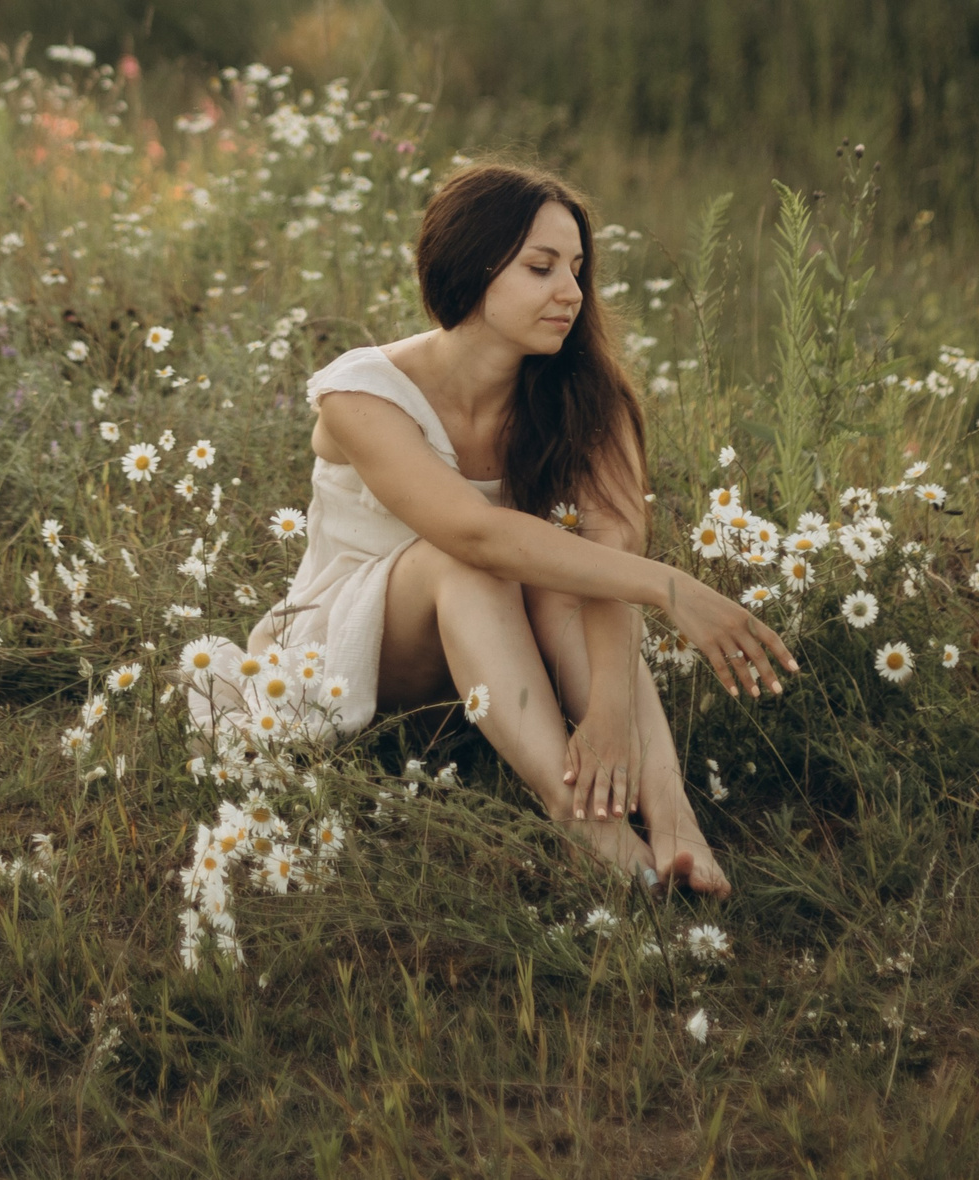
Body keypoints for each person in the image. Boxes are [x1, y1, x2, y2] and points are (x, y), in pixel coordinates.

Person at [189, 160, 796, 897]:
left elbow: (605, 558)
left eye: (577, 269)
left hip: (506, 654)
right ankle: (585, 823)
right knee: (473, 561)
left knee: (562, 567)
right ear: (473, 269)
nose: (570, 293)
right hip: (357, 649)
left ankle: (673, 821)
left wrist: (607, 709)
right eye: (541, 268)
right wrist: (675, 590)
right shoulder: (361, 394)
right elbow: (476, 534)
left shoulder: (586, 393)